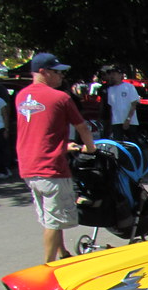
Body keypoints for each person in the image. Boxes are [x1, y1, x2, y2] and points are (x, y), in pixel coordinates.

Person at [15, 52, 96, 263]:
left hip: (28, 165)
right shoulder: (60, 97)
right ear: (43, 72)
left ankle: (63, 254)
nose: (61, 76)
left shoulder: (21, 96)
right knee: (54, 219)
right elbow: (82, 127)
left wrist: (63, 145)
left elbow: (40, 129)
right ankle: (48, 265)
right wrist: (90, 148)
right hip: (51, 167)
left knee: (49, 216)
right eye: (57, 72)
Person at [104, 65, 140, 142]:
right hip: (117, 121)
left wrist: (128, 119)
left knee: (132, 143)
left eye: (114, 74)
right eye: (111, 74)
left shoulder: (129, 87)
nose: (112, 76)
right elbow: (111, 106)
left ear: (120, 75)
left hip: (130, 121)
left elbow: (134, 104)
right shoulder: (110, 89)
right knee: (118, 143)